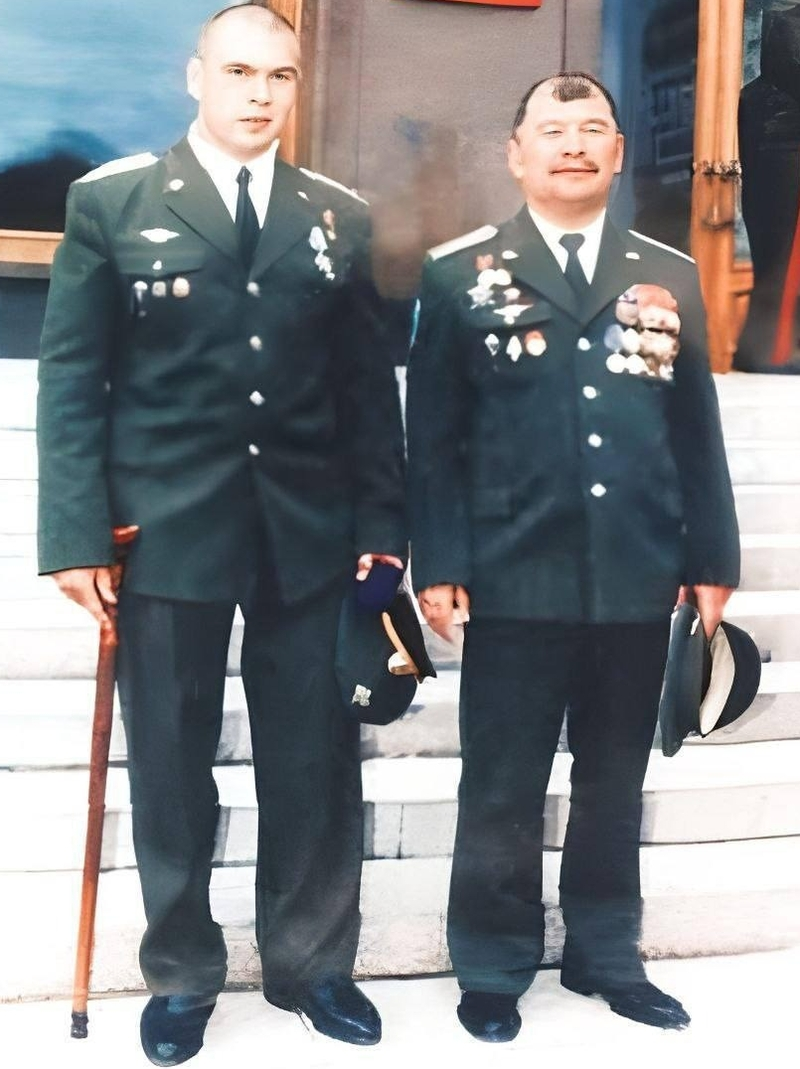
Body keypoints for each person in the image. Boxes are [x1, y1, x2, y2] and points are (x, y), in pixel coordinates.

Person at [37, 4, 406, 1062]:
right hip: (165, 529)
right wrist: (73, 535)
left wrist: (382, 524)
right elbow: (74, 379)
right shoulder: (112, 201)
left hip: (308, 529)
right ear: (194, 76)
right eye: (239, 71)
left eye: (279, 75)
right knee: (169, 758)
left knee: (312, 755)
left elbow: (364, 388)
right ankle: (182, 973)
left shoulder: (336, 215)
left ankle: (311, 964)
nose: (259, 93)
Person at [406, 72, 739, 1041]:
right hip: (512, 574)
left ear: (619, 153)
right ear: (516, 155)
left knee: (612, 778)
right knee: (501, 782)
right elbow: (434, 438)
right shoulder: (459, 273)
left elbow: (694, 429)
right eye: (551, 131)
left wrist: (710, 556)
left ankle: (604, 954)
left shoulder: (668, 273)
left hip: (636, 569)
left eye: (592, 128)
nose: (573, 145)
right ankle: (491, 963)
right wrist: (439, 561)